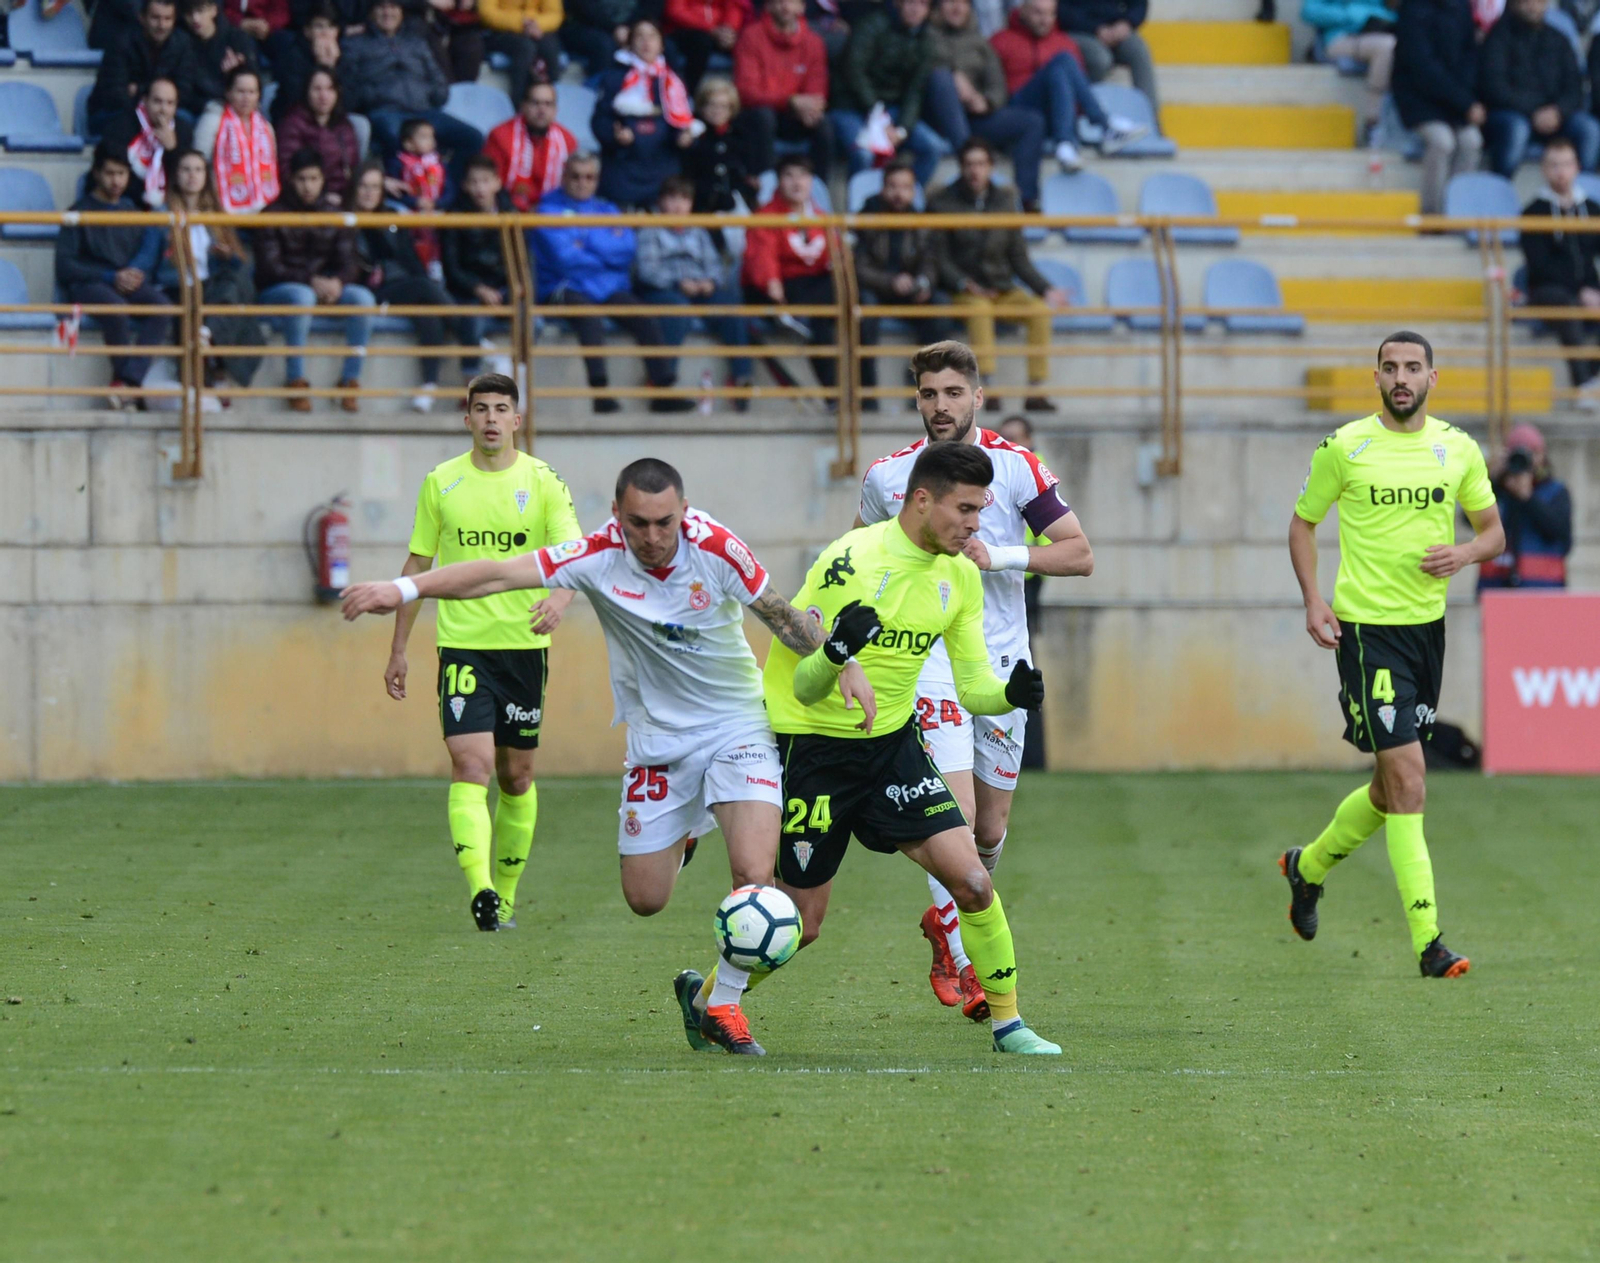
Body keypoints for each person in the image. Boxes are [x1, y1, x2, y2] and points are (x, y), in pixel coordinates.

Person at [341, 455, 866, 1054]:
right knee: (645, 899)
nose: (653, 537)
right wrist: (403, 587)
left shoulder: (716, 548)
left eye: (665, 522)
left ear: (684, 511)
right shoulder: (595, 556)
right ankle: (688, 832)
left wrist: (843, 663)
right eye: (638, 523)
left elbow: (782, 616)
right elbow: (494, 574)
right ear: (617, 515)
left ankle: (720, 1005)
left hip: (736, 728)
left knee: (754, 878)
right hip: (657, 742)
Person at [763, 439, 1060, 1055]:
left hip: (893, 748)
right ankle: (713, 995)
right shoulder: (849, 561)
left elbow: (973, 687)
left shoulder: (961, 574)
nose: (975, 525)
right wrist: (836, 652)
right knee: (801, 925)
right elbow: (804, 685)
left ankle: (1009, 1025)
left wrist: (1009, 693)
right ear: (922, 500)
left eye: (980, 510)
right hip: (816, 748)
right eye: (965, 510)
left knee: (973, 881)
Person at [855, 342, 1090, 1019]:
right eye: (929, 393)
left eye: (953, 392)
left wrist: (1002, 555)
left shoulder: (1016, 468)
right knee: (952, 818)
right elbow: (857, 558)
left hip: (1002, 667)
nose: (941, 406)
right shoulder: (888, 477)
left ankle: (946, 921)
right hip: (929, 664)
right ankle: (969, 963)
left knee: (988, 831)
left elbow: (1079, 553)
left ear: (978, 397)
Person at [1283, 331, 1505, 978]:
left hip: (1426, 634)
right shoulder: (1345, 446)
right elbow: (1302, 523)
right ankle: (1429, 942)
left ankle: (1307, 867)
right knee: (1410, 780)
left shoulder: (1457, 448)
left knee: (1387, 789)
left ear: (1433, 377)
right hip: (1366, 635)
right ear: (1376, 377)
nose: (1401, 377)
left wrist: (1464, 553)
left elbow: (1493, 533)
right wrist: (1314, 600)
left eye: (1412, 367)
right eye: (1390, 367)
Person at [339, 376, 581, 933]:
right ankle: (482, 891)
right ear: (466, 419)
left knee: (516, 777)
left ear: (517, 420)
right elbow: (417, 566)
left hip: (523, 649)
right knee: (470, 765)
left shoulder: (543, 481)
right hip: (463, 649)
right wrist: (398, 649)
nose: (491, 418)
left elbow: (575, 554)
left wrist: (560, 599)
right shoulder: (441, 482)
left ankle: (509, 896)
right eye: (481, 409)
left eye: (502, 408)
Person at [531, 152, 693, 413]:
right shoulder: (547, 210)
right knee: (589, 317)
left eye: (589, 177)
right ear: (563, 177)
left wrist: (585, 240)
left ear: (597, 180)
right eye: (575, 176)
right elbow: (565, 260)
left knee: (643, 317)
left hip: (606, 285)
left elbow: (626, 250)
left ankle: (663, 391)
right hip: (563, 286)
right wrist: (603, 244)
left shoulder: (607, 209)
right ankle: (601, 394)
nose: (582, 182)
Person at [930, 139, 1068, 413]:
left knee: (1039, 311)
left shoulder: (1005, 201)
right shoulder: (942, 202)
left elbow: (1018, 257)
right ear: (961, 167)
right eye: (969, 164)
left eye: (981, 164)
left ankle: (1036, 391)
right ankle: (988, 389)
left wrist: (1045, 289)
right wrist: (964, 283)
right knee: (980, 310)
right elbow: (938, 257)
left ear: (990, 167)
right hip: (964, 290)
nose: (975, 171)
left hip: (1001, 287)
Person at [254, 148, 377, 412]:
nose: (308, 186)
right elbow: (270, 269)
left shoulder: (335, 213)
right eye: (302, 179)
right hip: (279, 289)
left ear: (322, 180)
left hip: (323, 286)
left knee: (363, 298)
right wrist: (311, 281)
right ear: (291, 180)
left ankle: (350, 382)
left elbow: (350, 262)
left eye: (313, 179)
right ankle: (296, 381)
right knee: (302, 296)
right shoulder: (271, 213)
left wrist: (338, 282)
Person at [351, 160, 478, 412]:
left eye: (375, 187)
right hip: (371, 290)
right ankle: (475, 342)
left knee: (428, 311)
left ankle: (428, 387)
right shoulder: (347, 219)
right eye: (363, 186)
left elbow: (410, 259)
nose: (369, 193)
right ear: (354, 188)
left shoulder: (391, 217)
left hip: (403, 286)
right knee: (423, 287)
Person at [54, 145, 172, 407]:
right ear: (96, 173)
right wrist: (110, 276)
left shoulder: (132, 212)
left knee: (163, 308)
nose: (116, 181)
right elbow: (65, 266)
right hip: (89, 284)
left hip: (126, 283)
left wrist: (134, 274)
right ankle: (127, 383)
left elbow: (147, 256)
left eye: (121, 174)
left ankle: (128, 382)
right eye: (110, 173)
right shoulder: (78, 212)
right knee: (116, 309)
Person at [634, 175, 753, 404]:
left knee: (731, 307)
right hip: (662, 290)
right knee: (677, 309)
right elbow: (647, 272)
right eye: (672, 198)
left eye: (684, 199)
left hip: (699, 289)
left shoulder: (698, 230)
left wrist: (710, 282)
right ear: (660, 202)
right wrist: (679, 282)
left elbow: (715, 266)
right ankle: (662, 383)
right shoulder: (650, 230)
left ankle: (741, 377)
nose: (678, 205)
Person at [342, 0, 485, 186]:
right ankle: (405, 193)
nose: (388, 13)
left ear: (401, 12)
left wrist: (432, 96)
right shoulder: (355, 44)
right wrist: (372, 96)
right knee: (396, 135)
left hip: (425, 111)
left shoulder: (416, 42)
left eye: (393, 7)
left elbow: (438, 78)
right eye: (382, 7)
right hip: (386, 111)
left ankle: (444, 188)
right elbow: (349, 85)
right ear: (372, 13)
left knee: (473, 138)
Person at [989, 0, 1144, 171]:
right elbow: (990, 88)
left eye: (1050, 14)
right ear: (1023, 11)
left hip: (1053, 117)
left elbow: (1076, 93)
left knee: (1063, 63)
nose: (1045, 20)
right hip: (1018, 110)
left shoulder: (1065, 43)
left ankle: (1068, 141)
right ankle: (1102, 125)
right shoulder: (1001, 41)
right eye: (1038, 13)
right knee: (1061, 62)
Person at [925, 0, 1046, 208]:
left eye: (963, 3)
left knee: (1032, 122)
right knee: (941, 79)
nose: (956, 8)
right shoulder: (926, 35)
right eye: (950, 2)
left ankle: (1026, 200)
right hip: (937, 117)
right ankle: (969, 159)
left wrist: (985, 102)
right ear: (939, 7)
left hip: (974, 117)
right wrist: (952, 75)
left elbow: (998, 84)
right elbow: (922, 67)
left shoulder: (980, 42)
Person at [163, 146, 265, 391]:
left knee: (234, 281)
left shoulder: (218, 215)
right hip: (179, 286)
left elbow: (241, 264)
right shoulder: (163, 214)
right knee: (229, 295)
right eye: (186, 169)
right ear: (176, 175)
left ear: (206, 176)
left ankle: (208, 336)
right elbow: (159, 265)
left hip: (214, 288)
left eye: (198, 170)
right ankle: (215, 361)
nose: (192, 175)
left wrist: (228, 256)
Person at [855, 158, 954, 407]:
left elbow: (930, 262)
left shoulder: (921, 222)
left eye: (905, 187)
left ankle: (922, 382)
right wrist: (891, 281)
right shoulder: (865, 219)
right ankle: (867, 393)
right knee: (863, 308)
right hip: (876, 290)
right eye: (893, 186)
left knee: (941, 305)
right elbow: (858, 268)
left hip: (910, 291)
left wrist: (923, 283)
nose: (899, 193)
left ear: (913, 191)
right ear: (883, 188)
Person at [740, 154, 837, 396]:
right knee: (821, 318)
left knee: (856, 306)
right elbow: (762, 256)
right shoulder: (765, 216)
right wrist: (772, 283)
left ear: (811, 181)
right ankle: (834, 394)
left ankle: (863, 395)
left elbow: (835, 256)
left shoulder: (822, 218)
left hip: (814, 288)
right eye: (789, 176)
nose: (796, 182)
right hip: (782, 287)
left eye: (803, 176)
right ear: (779, 181)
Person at [829, 0, 946, 187]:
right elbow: (854, 72)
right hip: (850, 106)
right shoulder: (872, 25)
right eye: (911, 2)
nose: (915, 8)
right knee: (864, 154)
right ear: (900, 3)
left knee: (933, 147)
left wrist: (902, 130)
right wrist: (879, 117)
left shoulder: (926, 40)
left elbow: (915, 92)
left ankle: (906, 198)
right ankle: (859, 202)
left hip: (891, 109)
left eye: (923, 4)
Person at [1519, 137, 1600, 405]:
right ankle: (1583, 383)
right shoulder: (1532, 212)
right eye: (1554, 165)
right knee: (1567, 306)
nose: (1561, 171)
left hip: (1588, 290)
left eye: (1566, 164)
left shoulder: (1592, 209)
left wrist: (1592, 290)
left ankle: (1592, 378)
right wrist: (1582, 292)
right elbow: (1540, 266)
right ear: (1544, 169)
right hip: (1546, 291)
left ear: (1577, 167)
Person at [1479, 0, 1598, 176]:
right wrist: (1534, 111)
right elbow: (1494, 88)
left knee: (1589, 129)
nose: (1533, 6)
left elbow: (1575, 87)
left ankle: (1584, 190)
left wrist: (1559, 111)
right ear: (1514, 5)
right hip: (1512, 113)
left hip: (1556, 117)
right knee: (1517, 129)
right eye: (1526, 2)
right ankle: (1500, 186)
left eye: (1538, 1)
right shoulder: (1498, 37)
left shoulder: (1558, 39)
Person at [1392, 0, 1484, 215]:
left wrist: (1465, 99)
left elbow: (1469, 55)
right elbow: (1422, 67)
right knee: (1442, 142)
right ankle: (1432, 215)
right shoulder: (1413, 9)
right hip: (1418, 98)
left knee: (1472, 141)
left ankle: (1458, 212)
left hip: (1454, 98)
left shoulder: (1460, 7)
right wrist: (1464, 103)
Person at [592, 19, 692, 210]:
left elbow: (683, 121)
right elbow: (599, 122)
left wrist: (683, 138)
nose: (646, 42)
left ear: (662, 45)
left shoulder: (673, 82)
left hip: (663, 175)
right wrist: (615, 136)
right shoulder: (613, 78)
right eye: (640, 36)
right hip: (623, 171)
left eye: (652, 36)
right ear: (630, 44)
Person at [733, 0, 833, 178]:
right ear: (768, 6)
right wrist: (790, 100)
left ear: (802, 7)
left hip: (794, 115)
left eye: (792, 2)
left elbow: (817, 86)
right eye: (779, 1)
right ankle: (765, 184)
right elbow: (747, 92)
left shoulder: (813, 42)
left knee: (822, 124)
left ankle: (819, 188)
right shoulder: (751, 36)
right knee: (764, 117)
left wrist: (811, 109)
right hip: (758, 114)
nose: (786, 7)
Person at [440, 156, 516, 374]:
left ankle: (520, 376)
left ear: (497, 183)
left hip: (502, 290)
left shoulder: (512, 215)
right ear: (464, 185)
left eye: (485, 181)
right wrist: (478, 288)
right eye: (474, 182)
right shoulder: (453, 216)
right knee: (471, 320)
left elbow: (523, 262)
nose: (480, 188)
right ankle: (470, 381)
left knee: (532, 321)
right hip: (467, 292)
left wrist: (510, 291)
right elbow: (451, 268)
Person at [1479, 422, 1573, 588]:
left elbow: (1561, 534)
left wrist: (1528, 497)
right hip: (1495, 588)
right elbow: (1469, 518)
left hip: (1543, 591)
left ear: (1542, 455)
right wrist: (1492, 480)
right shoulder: (1495, 492)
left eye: (1532, 453)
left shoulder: (1556, 492)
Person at [89, 0, 201, 134]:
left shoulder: (183, 44)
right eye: (155, 18)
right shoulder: (121, 42)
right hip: (115, 112)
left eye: (167, 19)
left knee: (185, 119)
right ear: (142, 17)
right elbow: (114, 94)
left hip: (161, 109)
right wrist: (156, 101)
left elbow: (184, 92)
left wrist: (140, 90)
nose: (161, 25)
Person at [1302, 0, 1397, 138]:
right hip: (1340, 38)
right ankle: (1373, 121)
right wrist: (1350, 15)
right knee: (1388, 46)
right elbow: (1309, 11)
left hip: (1379, 31)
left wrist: (1382, 17)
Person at [1058, 0, 1159, 123]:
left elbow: (1139, 4)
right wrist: (1095, 28)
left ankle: (1151, 119)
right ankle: (1086, 115)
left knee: (1138, 50)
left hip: (1115, 27)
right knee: (1100, 59)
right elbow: (1062, 10)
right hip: (1078, 30)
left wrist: (1127, 23)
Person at [484, 77, 578, 211]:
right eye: (535, 103)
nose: (542, 110)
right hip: (509, 213)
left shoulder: (567, 140)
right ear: (523, 106)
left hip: (554, 214)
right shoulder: (500, 136)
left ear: (555, 109)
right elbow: (489, 183)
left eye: (548, 104)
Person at [197, 66, 279, 214]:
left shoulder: (265, 126)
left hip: (264, 208)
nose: (246, 98)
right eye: (241, 91)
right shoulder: (212, 121)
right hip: (222, 207)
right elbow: (199, 162)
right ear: (228, 93)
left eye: (251, 92)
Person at [680, 77, 768, 215]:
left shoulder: (741, 135)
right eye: (712, 105)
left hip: (735, 204)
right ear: (702, 106)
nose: (717, 111)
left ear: (731, 109)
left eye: (723, 106)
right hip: (700, 205)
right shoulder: (692, 135)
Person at [102, 77, 194, 209]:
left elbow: (183, 177)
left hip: (169, 199)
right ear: (145, 100)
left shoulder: (183, 130)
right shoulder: (122, 126)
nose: (163, 109)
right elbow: (114, 172)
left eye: (170, 103)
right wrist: (147, 196)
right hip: (128, 199)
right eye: (157, 101)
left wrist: (172, 150)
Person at [274, 67, 361, 204]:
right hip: (307, 201)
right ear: (307, 92)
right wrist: (323, 197)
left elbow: (355, 168)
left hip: (345, 199)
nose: (323, 96)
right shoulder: (292, 124)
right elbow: (287, 172)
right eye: (317, 89)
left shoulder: (344, 126)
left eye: (330, 89)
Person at [465, 0, 563, 107]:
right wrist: (521, 24)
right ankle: (518, 104)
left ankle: (550, 103)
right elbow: (487, 12)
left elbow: (555, 13)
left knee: (549, 48)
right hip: (500, 30)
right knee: (525, 48)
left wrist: (537, 24)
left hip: (538, 28)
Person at [385, 117, 451, 276]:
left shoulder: (439, 164)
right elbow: (394, 194)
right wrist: (415, 201)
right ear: (408, 143)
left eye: (432, 136)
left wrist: (438, 203)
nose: (431, 141)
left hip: (435, 211)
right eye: (424, 137)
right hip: (410, 215)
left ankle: (437, 269)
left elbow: (450, 190)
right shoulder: (397, 163)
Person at [269, 3, 342, 125]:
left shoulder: (343, 55)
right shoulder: (292, 55)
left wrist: (332, 69)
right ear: (307, 31)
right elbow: (295, 98)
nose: (325, 32)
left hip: (331, 119)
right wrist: (321, 67)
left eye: (330, 27)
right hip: (294, 118)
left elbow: (350, 101)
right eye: (319, 26)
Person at [184, 0, 259, 108]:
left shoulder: (237, 39)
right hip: (198, 106)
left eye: (200, 11)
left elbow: (254, 82)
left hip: (235, 105)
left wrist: (234, 75)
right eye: (189, 13)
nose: (195, 18)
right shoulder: (183, 42)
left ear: (214, 10)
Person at [664, 0, 748, 89]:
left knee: (746, 41)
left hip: (719, 32)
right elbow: (675, 11)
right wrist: (711, 28)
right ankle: (689, 91)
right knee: (701, 42)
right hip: (684, 29)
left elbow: (733, 6)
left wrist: (729, 29)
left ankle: (742, 92)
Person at [563, 0, 638, 74]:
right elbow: (587, 9)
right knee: (605, 45)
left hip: (629, 27)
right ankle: (601, 79)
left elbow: (642, 8)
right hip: (584, 26)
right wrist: (615, 28)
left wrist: (629, 28)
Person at [223, 0, 293, 64]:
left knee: (286, 41)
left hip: (267, 29)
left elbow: (281, 12)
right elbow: (224, 9)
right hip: (237, 29)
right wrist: (241, 22)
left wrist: (268, 25)